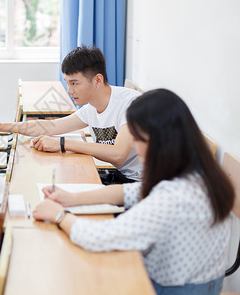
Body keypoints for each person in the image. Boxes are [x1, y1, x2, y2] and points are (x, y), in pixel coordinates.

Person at [33, 89, 235, 295]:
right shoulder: (198, 174)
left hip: (173, 289)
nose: (133, 146)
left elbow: (100, 236)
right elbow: (128, 192)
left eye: (138, 138)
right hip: (204, 283)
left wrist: (59, 215)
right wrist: (71, 198)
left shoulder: (173, 197)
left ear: (160, 140)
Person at [0, 45, 143, 183]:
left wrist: (63, 144)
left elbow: (118, 154)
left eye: (74, 83)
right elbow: (49, 127)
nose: (69, 91)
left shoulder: (129, 104)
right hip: (124, 178)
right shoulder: (90, 109)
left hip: (144, 185)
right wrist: (1, 126)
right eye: (67, 83)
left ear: (98, 80)